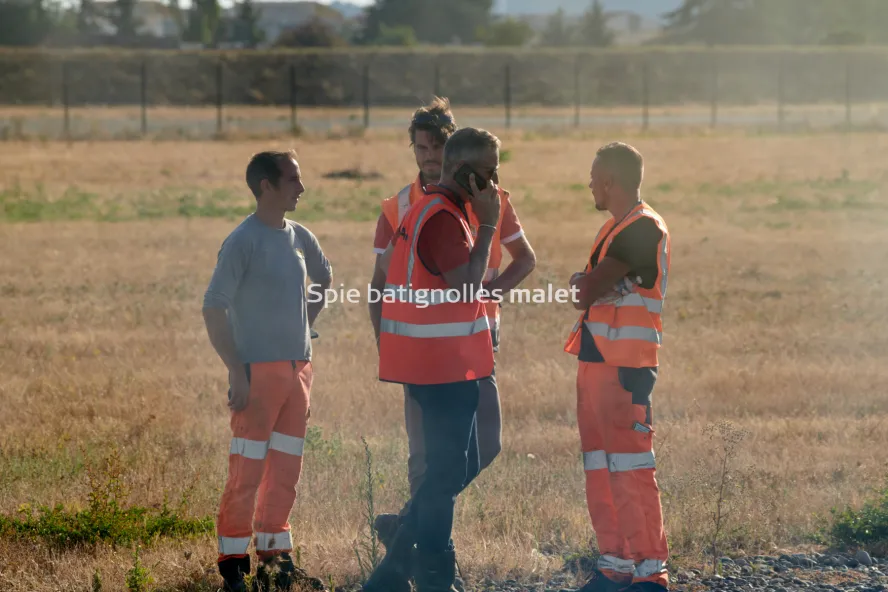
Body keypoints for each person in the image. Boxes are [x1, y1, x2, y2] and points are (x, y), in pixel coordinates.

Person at [369, 97, 536, 560]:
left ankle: (405, 528)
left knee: (484, 446)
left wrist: (488, 297)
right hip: (424, 352)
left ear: (455, 149)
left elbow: (524, 260)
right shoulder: (400, 206)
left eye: (438, 146)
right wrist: (390, 345)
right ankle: (431, 558)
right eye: (420, 147)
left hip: (473, 344)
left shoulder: (490, 198)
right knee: (428, 461)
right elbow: (378, 288)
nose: (429, 156)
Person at [364, 127, 503, 592]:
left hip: (433, 363)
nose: (495, 180)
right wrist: (487, 225)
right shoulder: (444, 217)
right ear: (465, 174)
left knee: (450, 468)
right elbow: (466, 285)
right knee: (443, 478)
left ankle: (399, 552)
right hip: (444, 367)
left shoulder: (426, 208)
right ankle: (427, 573)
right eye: (487, 172)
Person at [202, 150, 333, 592]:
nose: (301, 187)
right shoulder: (243, 241)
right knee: (248, 471)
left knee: (285, 472)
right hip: (257, 375)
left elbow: (325, 278)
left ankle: (276, 560)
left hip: (299, 372)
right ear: (266, 187)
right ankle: (233, 565)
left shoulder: (300, 236)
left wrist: (305, 326)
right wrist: (237, 372)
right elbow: (213, 306)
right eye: (293, 179)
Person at [564, 142, 672, 592]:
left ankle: (651, 571)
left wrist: (585, 285)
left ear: (609, 181)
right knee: (601, 467)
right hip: (596, 361)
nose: (589, 184)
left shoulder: (643, 227)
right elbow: (587, 289)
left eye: (594, 177)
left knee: (630, 468)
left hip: (625, 367)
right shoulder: (616, 228)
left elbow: (585, 290)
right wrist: (586, 286)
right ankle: (616, 565)